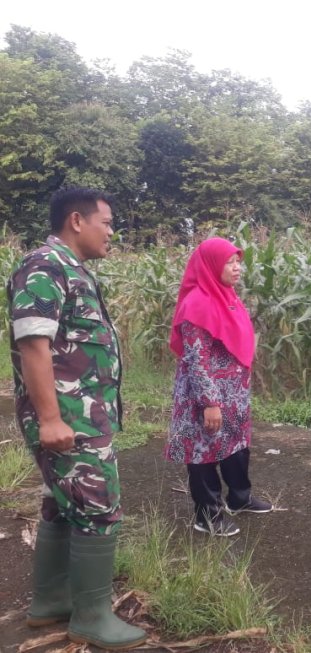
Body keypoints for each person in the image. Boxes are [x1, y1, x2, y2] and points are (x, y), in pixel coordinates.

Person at [6, 187, 147, 650]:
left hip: (81, 416)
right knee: (97, 507)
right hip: (68, 419)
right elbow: (33, 344)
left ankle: (51, 602)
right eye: (106, 223)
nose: (111, 232)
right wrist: (50, 419)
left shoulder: (70, 268)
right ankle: (91, 617)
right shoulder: (45, 266)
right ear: (77, 220)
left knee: (62, 505)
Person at [165, 237, 272, 536]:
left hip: (233, 392)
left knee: (237, 446)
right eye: (230, 261)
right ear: (212, 264)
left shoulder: (227, 296)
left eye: (238, 261)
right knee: (203, 451)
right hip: (206, 394)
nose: (238, 267)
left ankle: (240, 498)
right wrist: (210, 402)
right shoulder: (197, 303)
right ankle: (207, 515)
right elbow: (197, 361)